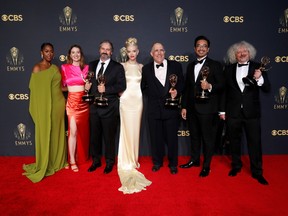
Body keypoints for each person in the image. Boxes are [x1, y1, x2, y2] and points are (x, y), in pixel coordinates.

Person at [220, 41, 271, 185]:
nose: (242, 54)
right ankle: (236, 166)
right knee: (234, 142)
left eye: (245, 52)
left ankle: (257, 172)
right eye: (238, 52)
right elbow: (225, 91)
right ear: (234, 55)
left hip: (252, 113)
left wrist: (259, 77)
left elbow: (267, 88)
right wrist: (222, 110)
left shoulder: (258, 67)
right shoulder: (228, 69)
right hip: (233, 111)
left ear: (250, 53)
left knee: (255, 143)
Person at [179, 35, 225, 177]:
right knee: (194, 137)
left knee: (207, 138)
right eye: (198, 45)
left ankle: (206, 166)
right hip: (192, 108)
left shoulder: (215, 65)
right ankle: (194, 160)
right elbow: (187, 88)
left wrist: (210, 86)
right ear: (195, 48)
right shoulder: (191, 65)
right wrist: (184, 106)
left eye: (204, 46)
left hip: (207, 108)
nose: (201, 48)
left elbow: (222, 85)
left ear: (208, 49)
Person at [23, 43, 67, 183]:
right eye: (46, 51)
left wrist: (76, 86)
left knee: (57, 133)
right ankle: (46, 163)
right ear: (41, 52)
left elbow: (60, 88)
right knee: (46, 132)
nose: (49, 54)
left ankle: (58, 161)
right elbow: (35, 92)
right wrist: (39, 109)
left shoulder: (55, 68)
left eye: (51, 52)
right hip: (45, 107)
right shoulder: (37, 68)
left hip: (58, 105)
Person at [141, 42, 184, 174]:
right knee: (155, 138)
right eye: (156, 51)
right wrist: (154, 96)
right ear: (151, 53)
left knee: (172, 138)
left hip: (171, 109)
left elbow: (181, 84)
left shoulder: (176, 65)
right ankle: (157, 162)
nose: (159, 53)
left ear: (165, 52)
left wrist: (177, 92)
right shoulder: (146, 69)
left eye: (161, 50)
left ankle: (173, 164)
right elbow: (143, 87)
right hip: (154, 110)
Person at [117, 37, 152, 194]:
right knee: (126, 130)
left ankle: (133, 159)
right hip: (125, 101)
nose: (132, 53)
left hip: (137, 102)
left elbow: (145, 85)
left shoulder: (142, 67)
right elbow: (118, 83)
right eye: (129, 51)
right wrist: (119, 93)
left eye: (134, 51)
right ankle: (126, 160)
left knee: (135, 130)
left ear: (137, 51)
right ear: (126, 52)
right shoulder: (121, 66)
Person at [88, 40, 126, 174]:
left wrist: (106, 89)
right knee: (94, 137)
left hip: (109, 107)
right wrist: (88, 87)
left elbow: (122, 86)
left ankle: (110, 162)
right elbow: (88, 81)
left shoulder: (117, 67)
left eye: (108, 49)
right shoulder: (91, 65)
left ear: (111, 52)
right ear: (99, 50)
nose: (105, 51)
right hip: (94, 107)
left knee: (109, 137)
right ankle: (96, 161)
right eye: (103, 48)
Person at [61, 44, 91, 172]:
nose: (75, 54)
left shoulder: (86, 68)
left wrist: (87, 87)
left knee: (83, 132)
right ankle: (72, 160)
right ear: (69, 54)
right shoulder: (64, 67)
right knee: (72, 131)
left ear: (81, 54)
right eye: (73, 52)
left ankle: (81, 157)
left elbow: (88, 85)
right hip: (72, 102)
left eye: (78, 52)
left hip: (84, 103)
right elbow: (62, 86)